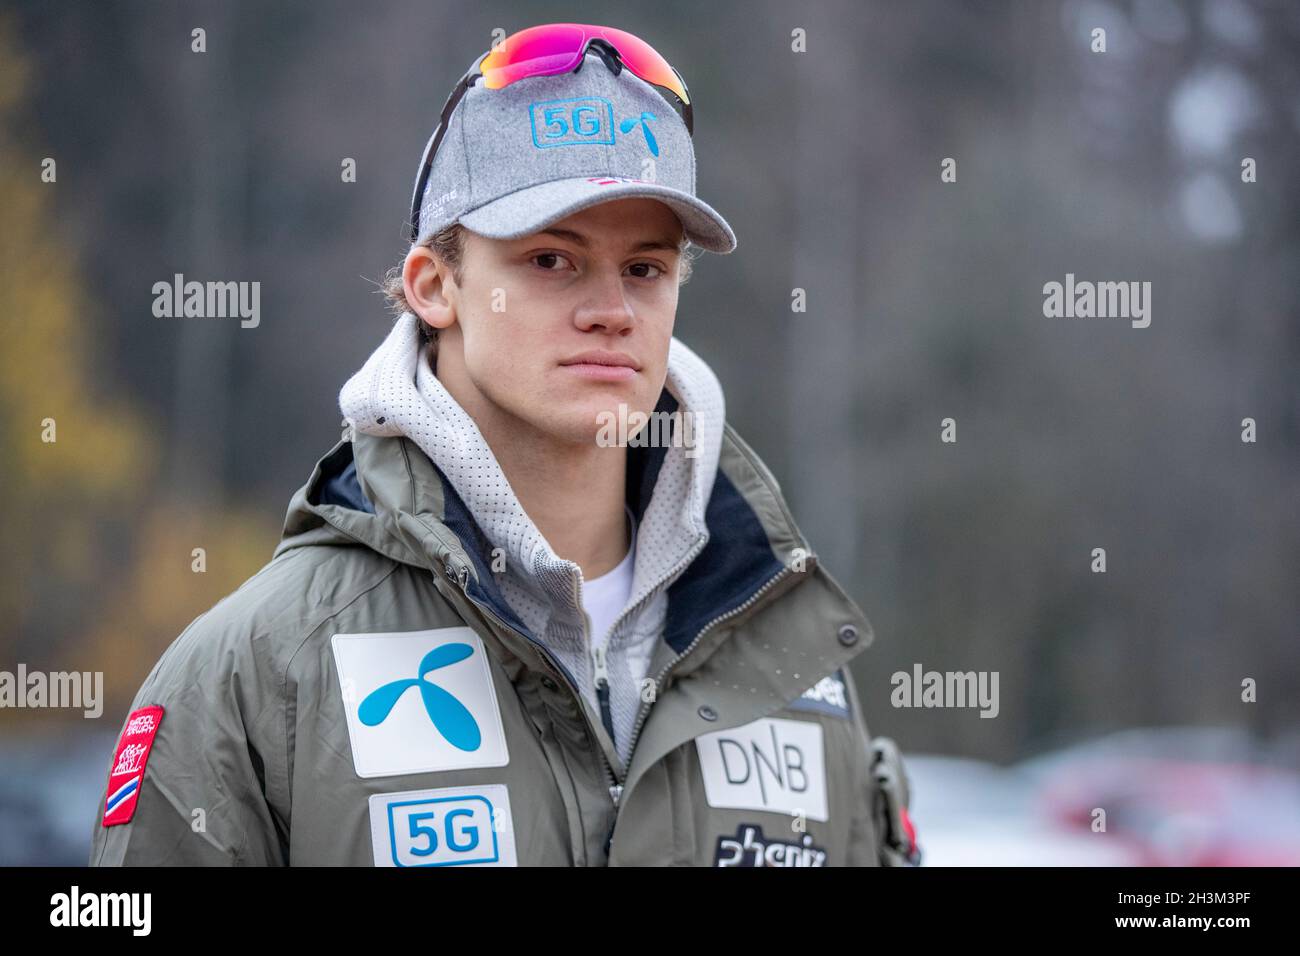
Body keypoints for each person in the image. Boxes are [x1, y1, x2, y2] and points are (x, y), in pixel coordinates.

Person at [90, 22, 919, 867]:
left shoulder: (791, 667)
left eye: (646, 268)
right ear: (435, 286)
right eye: (552, 259)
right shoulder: (258, 672)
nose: (613, 310)